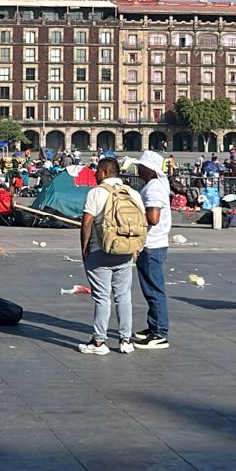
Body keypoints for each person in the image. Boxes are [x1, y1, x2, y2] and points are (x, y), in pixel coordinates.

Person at [78, 157, 145, 355]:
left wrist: (84, 248)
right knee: (123, 297)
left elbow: (87, 222)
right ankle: (125, 340)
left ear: (105, 172)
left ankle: (99, 342)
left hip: (101, 251)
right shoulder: (132, 193)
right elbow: (140, 223)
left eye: (97, 171)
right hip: (125, 252)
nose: (95, 175)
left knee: (102, 297)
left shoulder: (96, 193)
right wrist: (135, 247)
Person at [133, 150, 171, 350]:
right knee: (151, 288)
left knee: (154, 289)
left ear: (150, 169)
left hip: (152, 244)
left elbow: (153, 218)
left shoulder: (154, 188)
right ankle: (154, 325)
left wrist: (132, 221)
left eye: (140, 166)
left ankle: (159, 333)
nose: (137, 169)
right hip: (155, 243)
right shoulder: (155, 185)